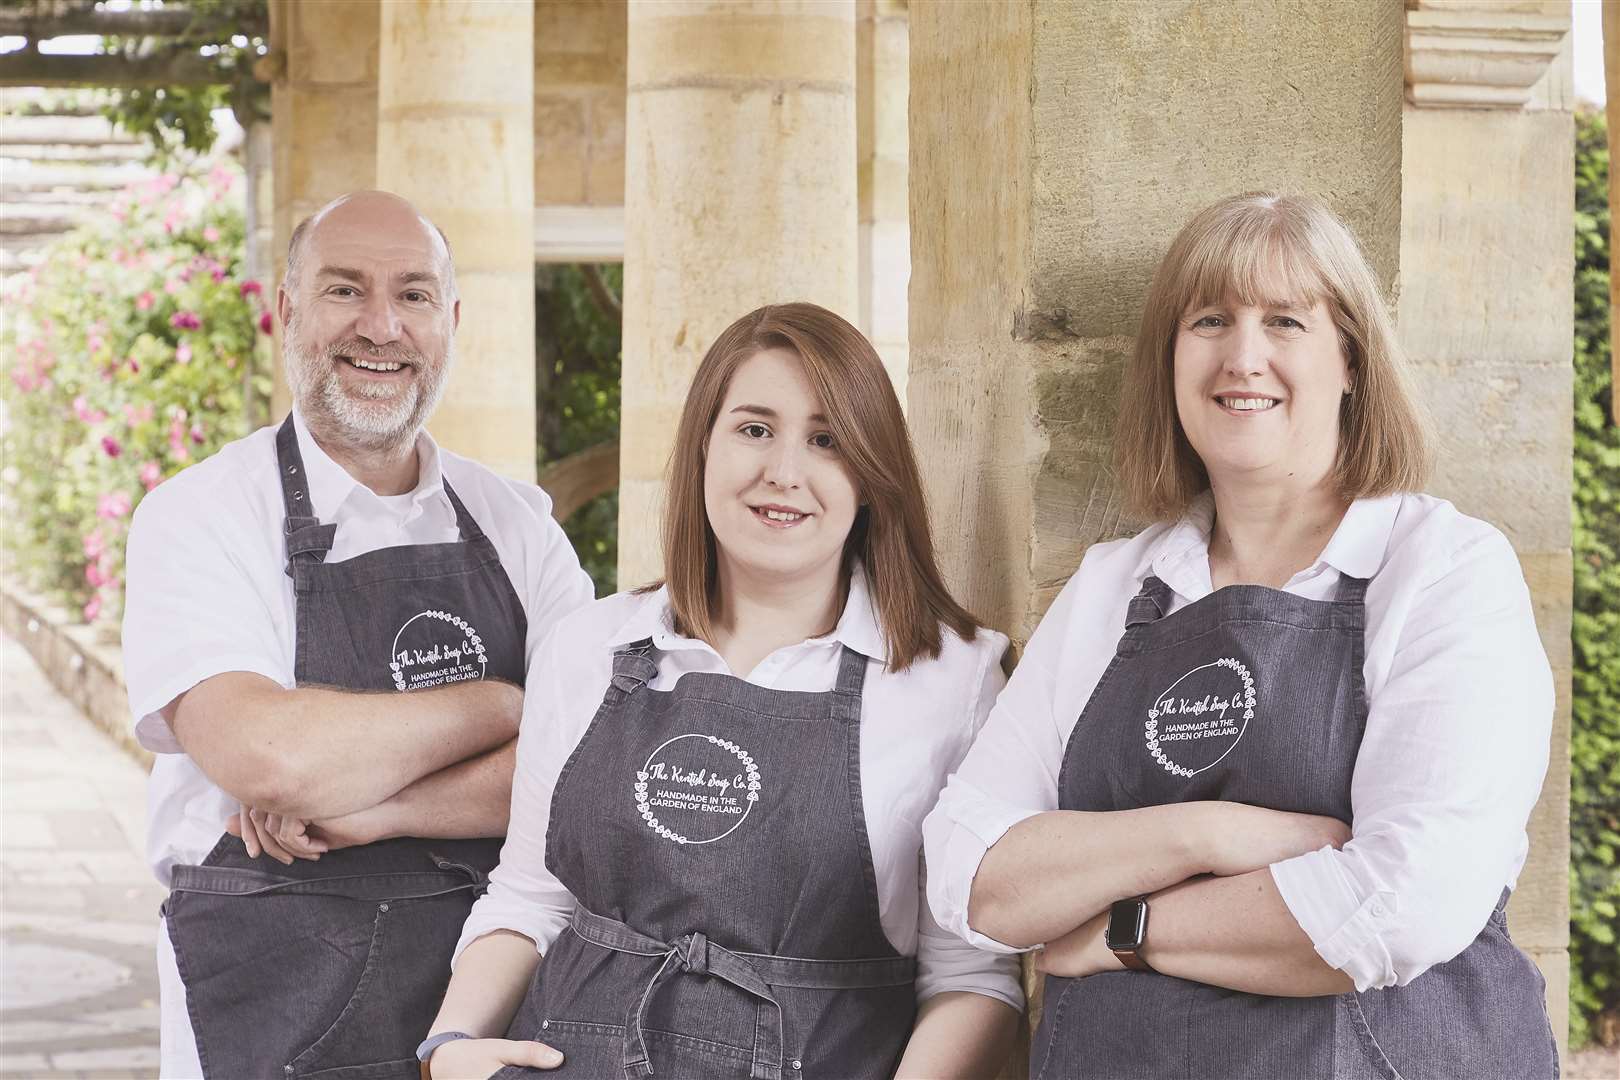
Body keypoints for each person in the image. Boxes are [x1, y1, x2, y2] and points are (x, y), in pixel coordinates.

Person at [922, 192, 1559, 1079]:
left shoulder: (1444, 569)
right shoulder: (1112, 589)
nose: (1242, 356)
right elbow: (970, 876)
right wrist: (1209, 836)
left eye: (1285, 321)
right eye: (1210, 319)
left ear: (1351, 362)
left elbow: (1403, 903)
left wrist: (1123, 928)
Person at [419, 303, 1023, 1079]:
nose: (784, 471)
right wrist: (452, 1048)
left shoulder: (952, 679)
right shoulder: (590, 646)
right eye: (755, 429)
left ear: (872, 474)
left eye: (827, 438)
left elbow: (970, 979)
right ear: (704, 442)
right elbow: (532, 897)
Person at [121, 190, 594, 1078]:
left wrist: (374, 809)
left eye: (413, 295)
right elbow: (273, 756)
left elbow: (584, 767)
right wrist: (504, 705)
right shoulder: (202, 515)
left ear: (450, 321)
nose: (382, 326)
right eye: (345, 291)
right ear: (289, 312)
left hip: (485, 1002)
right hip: (272, 1006)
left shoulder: (518, 525)